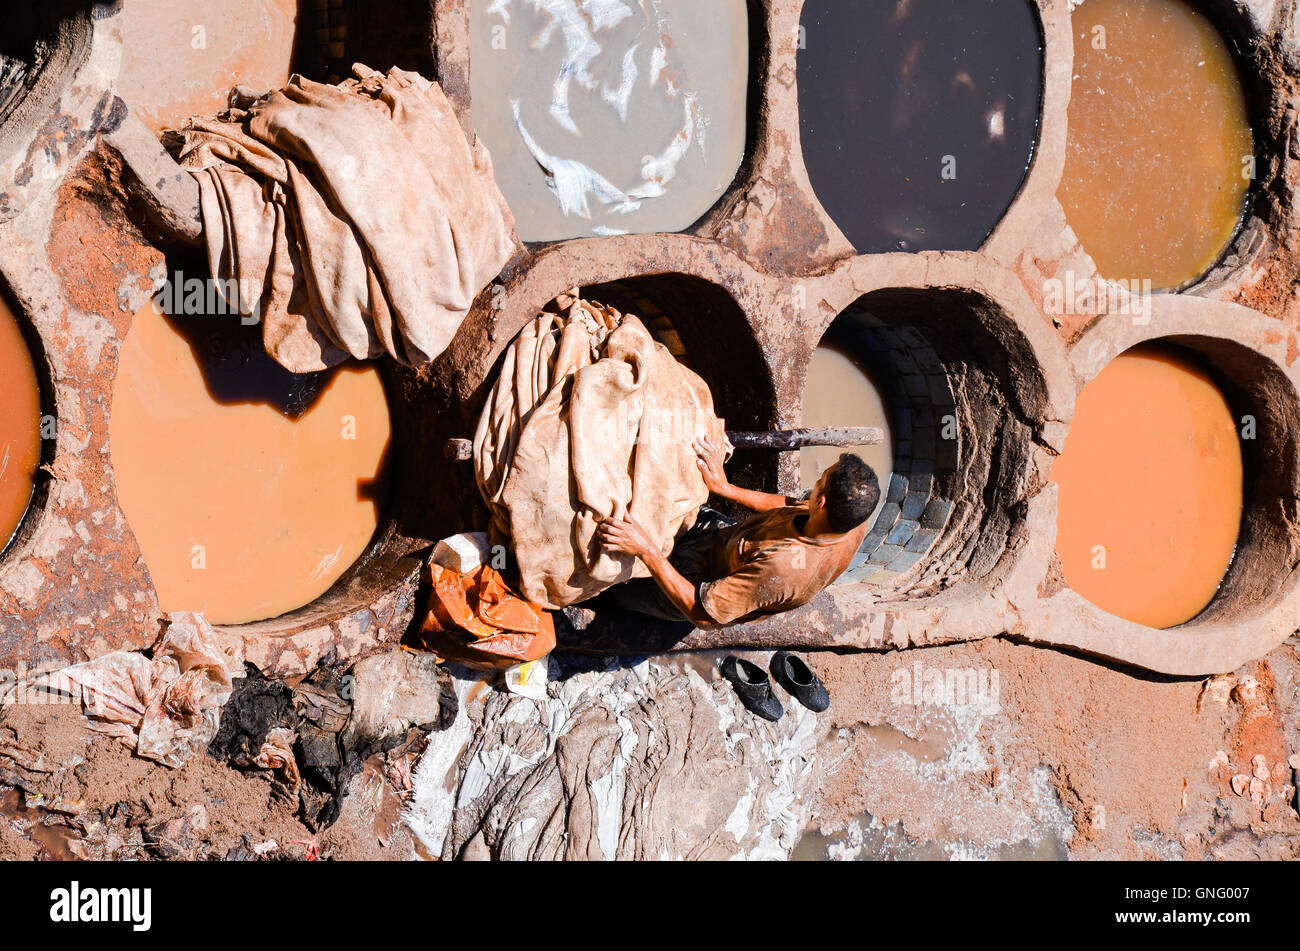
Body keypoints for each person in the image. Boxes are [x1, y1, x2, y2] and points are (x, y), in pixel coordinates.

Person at [596, 437, 880, 628]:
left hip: (704, 581)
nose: (815, 482)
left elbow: (703, 615)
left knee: (613, 589)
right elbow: (792, 505)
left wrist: (647, 551)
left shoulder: (783, 569)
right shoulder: (852, 519)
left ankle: (608, 605)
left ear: (822, 503)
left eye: (820, 480)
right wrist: (725, 488)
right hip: (727, 540)